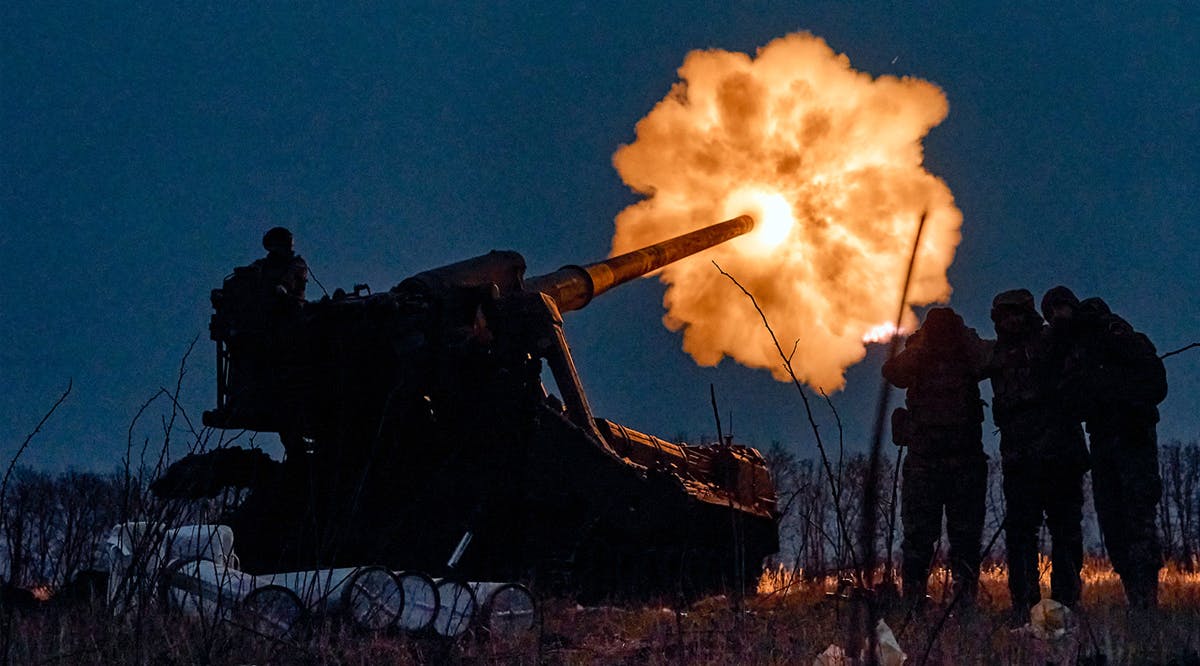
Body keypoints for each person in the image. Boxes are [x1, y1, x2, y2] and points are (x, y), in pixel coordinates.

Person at [1043, 286, 1167, 608]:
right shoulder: (1069, 351)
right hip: (1102, 442)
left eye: (1060, 308)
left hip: (1132, 438)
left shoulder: (1113, 332)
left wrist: (1116, 393)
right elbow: (1069, 400)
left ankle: (1145, 604)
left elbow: (1154, 382)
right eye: (1050, 312)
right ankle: (1136, 598)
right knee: (1113, 526)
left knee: (1138, 522)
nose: (1057, 316)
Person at [986, 289, 1088, 619]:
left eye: (1017, 313)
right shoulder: (996, 354)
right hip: (1019, 461)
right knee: (1020, 533)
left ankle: (1066, 604)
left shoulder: (1051, 341)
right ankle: (1024, 604)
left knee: (1066, 530)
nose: (1011, 320)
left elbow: (1073, 383)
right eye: (1005, 315)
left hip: (1059, 457)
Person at [884, 307, 991, 605]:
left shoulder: (967, 352)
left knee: (965, 539)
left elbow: (987, 360)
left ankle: (964, 602)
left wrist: (962, 337)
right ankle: (914, 603)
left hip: (964, 462)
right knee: (918, 539)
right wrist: (923, 344)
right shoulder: (919, 351)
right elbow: (894, 372)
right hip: (925, 463)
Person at [252, 226, 309, 303]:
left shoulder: (297, 263)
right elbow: (251, 271)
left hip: (289, 306)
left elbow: (291, 277)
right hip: (263, 304)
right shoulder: (262, 264)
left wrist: (283, 287)